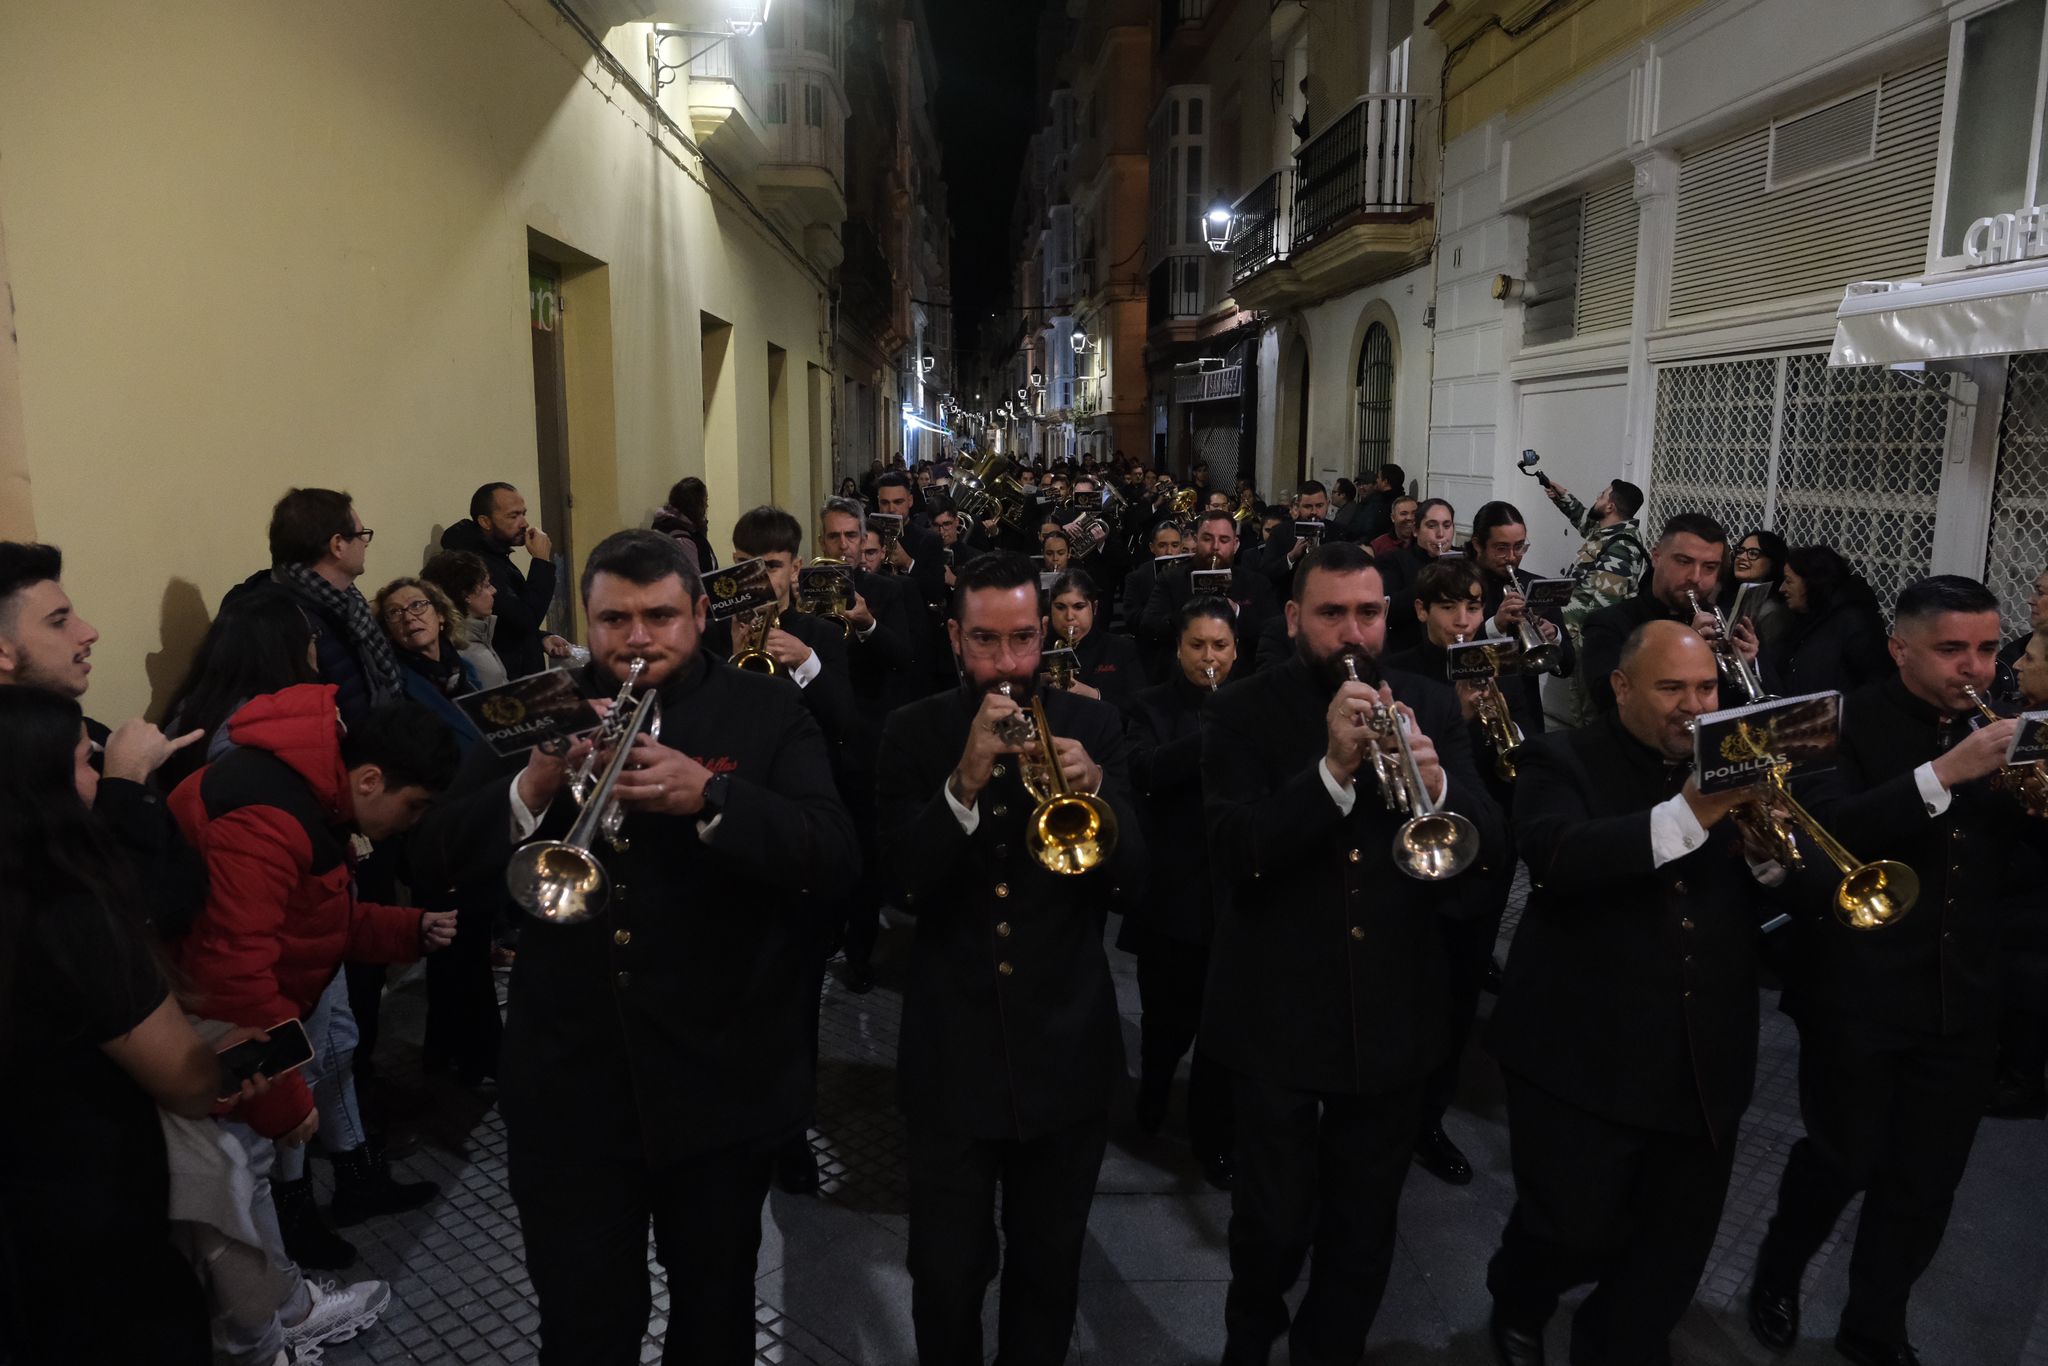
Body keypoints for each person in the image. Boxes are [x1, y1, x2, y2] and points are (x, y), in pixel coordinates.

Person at [409, 529, 859, 1365]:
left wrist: (712, 795)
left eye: (660, 616)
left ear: (698, 613)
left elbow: (835, 855)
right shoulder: (535, 705)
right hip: (572, 1093)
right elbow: (432, 859)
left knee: (716, 1318)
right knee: (583, 1329)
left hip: (719, 1084)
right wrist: (531, 786)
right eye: (616, 619)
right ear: (589, 618)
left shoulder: (761, 709)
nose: (638, 638)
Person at [1202, 542, 1506, 1366]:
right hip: (1277, 1019)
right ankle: (1248, 1343)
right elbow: (1233, 850)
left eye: (1367, 613)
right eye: (1331, 613)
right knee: (1270, 1223)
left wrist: (1439, 790)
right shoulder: (1244, 711)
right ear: (1295, 618)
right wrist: (1332, 772)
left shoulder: (1432, 705)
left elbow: (1490, 853)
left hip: (1393, 1016)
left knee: (1366, 1228)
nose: (1351, 633)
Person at [1747, 576, 2033, 1366]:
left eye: (1984, 648)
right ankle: (1777, 1269)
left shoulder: (2011, 728)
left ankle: (1875, 1323)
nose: (1973, 668)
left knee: (1926, 1181)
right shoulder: (1829, 720)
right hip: (1856, 992)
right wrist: (1943, 774)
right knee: (1841, 1158)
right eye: (1950, 650)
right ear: (1900, 648)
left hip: (1964, 997)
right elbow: (1817, 841)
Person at [1485, 622, 1783, 1366]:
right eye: (1672, 688)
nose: (1694, 705)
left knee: (1673, 1248)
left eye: (1707, 687)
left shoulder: (1740, 762)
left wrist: (1773, 859)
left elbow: (1792, 898)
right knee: (1566, 1226)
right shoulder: (1558, 758)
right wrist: (1692, 813)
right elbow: (1558, 857)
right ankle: (1519, 1297)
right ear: (1620, 687)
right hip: (1582, 1048)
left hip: (1704, 1050)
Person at [875, 549, 1142, 1366]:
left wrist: (1097, 799)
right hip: (952, 1057)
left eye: (1024, 639)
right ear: (955, 638)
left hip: (1067, 1053)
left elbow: (1142, 884)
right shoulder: (914, 731)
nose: (1008, 663)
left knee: (1048, 1269)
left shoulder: (1093, 725)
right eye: (987, 642)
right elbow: (895, 887)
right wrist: (963, 780)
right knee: (945, 1274)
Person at [170, 693, 459, 1363]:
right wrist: (285, 1097)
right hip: (212, 1032)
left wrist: (407, 929)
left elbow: (312, 920)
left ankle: (287, 1310)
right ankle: (263, 1340)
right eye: (413, 805)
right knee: (233, 1189)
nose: (410, 824)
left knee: (248, 1176)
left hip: (233, 1026)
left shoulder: (310, 792)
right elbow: (234, 980)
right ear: (367, 780)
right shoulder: (266, 818)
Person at [0, 686, 273, 1366]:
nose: (99, 772)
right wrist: (225, 1066)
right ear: (42, 787)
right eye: (86, 761)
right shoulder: (67, 915)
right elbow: (182, 1081)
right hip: (94, 1200)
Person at [1383, 558, 1525, 1185]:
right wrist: (1458, 724)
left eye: (1472, 606)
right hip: (1413, 863)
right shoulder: (1400, 674)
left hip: (1483, 860)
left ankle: (1430, 1120)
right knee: (1404, 992)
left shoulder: (1497, 665)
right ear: (1421, 611)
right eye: (1448, 607)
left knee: (1458, 999)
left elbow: (1526, 754)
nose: (1463, 619)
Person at [1120, 597, 1239, 1190]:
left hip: (1235, 891)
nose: (1209, 657)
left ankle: (1212, 1134)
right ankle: (1155, 1086)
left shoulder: (1253, 707)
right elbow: (1144, 770)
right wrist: (1211, 734)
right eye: (1198, 646)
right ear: (1179, 649)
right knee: (1167, 1019)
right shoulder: (1150, 705)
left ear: (1236, 651)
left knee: (1224, 1028)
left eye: (1220, 646)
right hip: (1172, 892)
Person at [237, 489, 405, 728]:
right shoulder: (284, 622)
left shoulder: (345, 603)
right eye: (361, 535)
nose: (366, 544)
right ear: (338, 545)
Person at [1577, 513, 1763, 718]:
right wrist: (1681, 650)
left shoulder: (1726, 621)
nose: (1695, 577)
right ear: (1656, 557)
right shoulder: (1610, 623)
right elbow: (1609, 702)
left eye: (1710, 567)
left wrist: (1749, 665)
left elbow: (1764, 701)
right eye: (1684, 562)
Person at [157, 587, 322, 795]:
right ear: (289, 653)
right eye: (312, 638)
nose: (315, 649)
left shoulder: (192, 711)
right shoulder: (262, 737)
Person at [1537, 477, 1648, 723]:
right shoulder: (1610, 532)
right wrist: (1562, 496)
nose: (1597, 498)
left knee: (1589, 717)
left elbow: (1602, 606)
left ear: (1610, 507)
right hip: (1579, 640)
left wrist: (1570, 639)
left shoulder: (1621, 546)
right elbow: (1585, 520)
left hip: (1588, 646)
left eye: (1602, 495)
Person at [439, 482, 567, 680]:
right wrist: (541, 562)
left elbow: (506, 621)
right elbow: (524, 619)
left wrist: (541, 638)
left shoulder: (496, 556)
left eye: (523, 513)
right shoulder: (478, 566)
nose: (524, 523)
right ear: (485, 522)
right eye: (513, 516)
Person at [1467, 500, 1574, 728]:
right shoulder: (1459, 584)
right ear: (1478, 544)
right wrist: (1495, 626)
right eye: (1501, 548)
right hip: (1473, 716)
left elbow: (1567, 666)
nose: (1512, 557)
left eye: (1520, 546)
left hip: (1526, 716)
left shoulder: (1535, 586)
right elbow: (1450, 653)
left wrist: (1553, 636)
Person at [1141, 510, 1280, 657]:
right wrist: (1188, 613)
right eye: (1207, 539)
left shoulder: (1256, 583)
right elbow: (1148, 627)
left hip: (1241, 672)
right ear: (1196, 540)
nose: (1215, 547)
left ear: (1235, 544)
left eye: (1224, 540)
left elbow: (1273, 632)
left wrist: (1237, 612)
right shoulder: (1171, 578)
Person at [375, 578, 484, 745]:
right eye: (394, 612)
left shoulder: (466, 669)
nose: (408, 617)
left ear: (440, 615)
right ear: (389, 631)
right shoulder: (394, 683)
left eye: (417, 605)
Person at [1773, 545, 1893, 696]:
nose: (1782, 588)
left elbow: (1877, 683)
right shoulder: (1805, 618)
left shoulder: (1854, 622)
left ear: (1812, 582)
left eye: (1789, 581)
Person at [1045, 569, 1141, 710]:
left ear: (1094, 608)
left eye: (1079, 607)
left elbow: (1139, 706)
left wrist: (1095, 695)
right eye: (1060, 607)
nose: (1069, 616)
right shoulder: (1040, 651)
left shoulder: (1122, 649)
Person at [422, 548, 511, 690]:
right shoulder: (462, 650)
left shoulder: (478, 635)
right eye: (486, 585)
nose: (494, 591)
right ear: (466, 595)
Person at [1377, 497, 1458, 652]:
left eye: (1447, 526)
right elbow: (1388, 612)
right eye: (1431, 526)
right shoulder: (1394, 560)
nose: (1441, 534)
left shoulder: (1463, 560)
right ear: (1416, 530)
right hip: (1410, 651)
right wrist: (1432, 579)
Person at [1730, 529, 1793, 658]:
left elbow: (1764, 659)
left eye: (1753, 553)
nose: (1742, 557)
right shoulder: (1727, 593)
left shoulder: (1772, 611)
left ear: (1773, 562)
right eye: (1740, 551)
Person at [654, 476, 719, 578]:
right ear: (695, 505)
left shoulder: (667, 525)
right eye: (704, 501)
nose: (707, 506)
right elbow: (695, 581)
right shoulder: (682, 539)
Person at [1368, 494, 1419, 558]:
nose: (1409, 518)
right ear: (1393, 517)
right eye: (1403, 513)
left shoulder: (1425, 543)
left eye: (1414, 513)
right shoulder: (1378, 545)